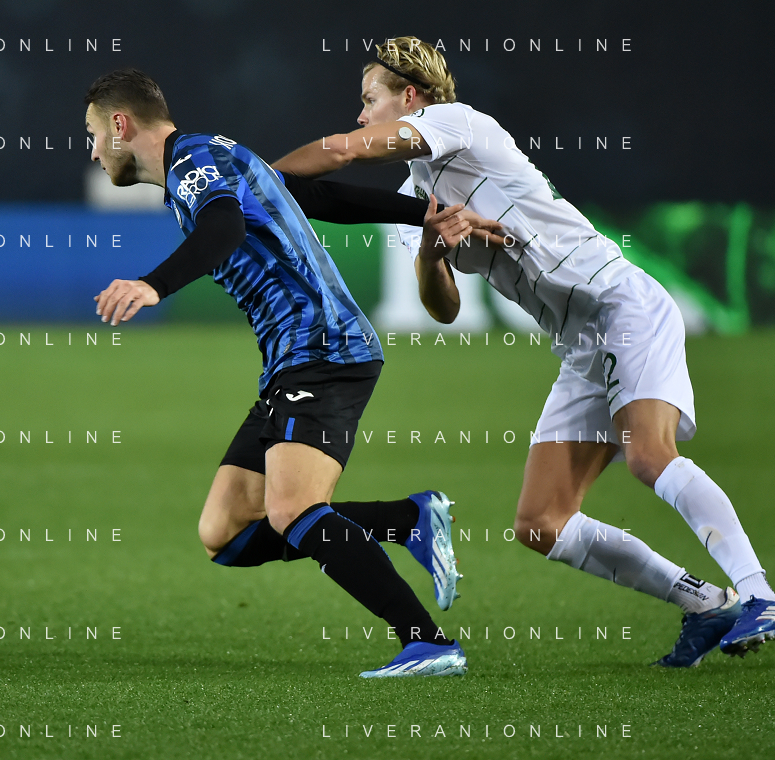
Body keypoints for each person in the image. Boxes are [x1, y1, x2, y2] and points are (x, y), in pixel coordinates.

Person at [272, 37, 775, 667]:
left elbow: (342, 150)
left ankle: (761, 594)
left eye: (370, 99)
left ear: (410, 97)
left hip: (620, 307)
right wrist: (431, 250)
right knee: (541, 522)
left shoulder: (456, 123)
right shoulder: (419, 192)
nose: (362, 114)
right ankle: (707, 604)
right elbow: (444, 308)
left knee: (649, 455)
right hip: (580, 346)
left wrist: (256, 180)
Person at [84, 68, 498, 677]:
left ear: (121, 125)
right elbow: (317, 196)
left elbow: (223, 228)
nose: (94, 151)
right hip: (292, 357)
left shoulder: (192, 163)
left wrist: (154, 284)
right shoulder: (211, 157)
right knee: (225, 532)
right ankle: (408, 519)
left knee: (293, 509)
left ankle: (429, 642)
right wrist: (423, 214)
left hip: (322, 347)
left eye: (93, 134)